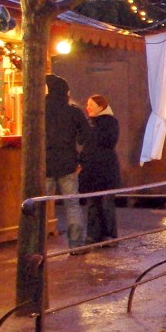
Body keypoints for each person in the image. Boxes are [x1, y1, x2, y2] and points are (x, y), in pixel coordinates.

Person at [44, 74, 89, 251]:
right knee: (72, 206)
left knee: (38, 206)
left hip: (45, 163)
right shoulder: (73, 111)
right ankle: (76, 245)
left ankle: (34, 245)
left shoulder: (39, 110)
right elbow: (85, 136)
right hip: (68, 163)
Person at [81, 94, 122, 245]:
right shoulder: (88, 123)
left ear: (101, 106)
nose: (88, 107)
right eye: (87, 104)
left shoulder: (111, 122)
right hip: (91, 170)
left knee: (106, 203)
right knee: (92, 204)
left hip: (106, 170)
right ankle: (93, 235)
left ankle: (110, 235)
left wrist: (92, 129)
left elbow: (107, 141)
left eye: (91, 104)